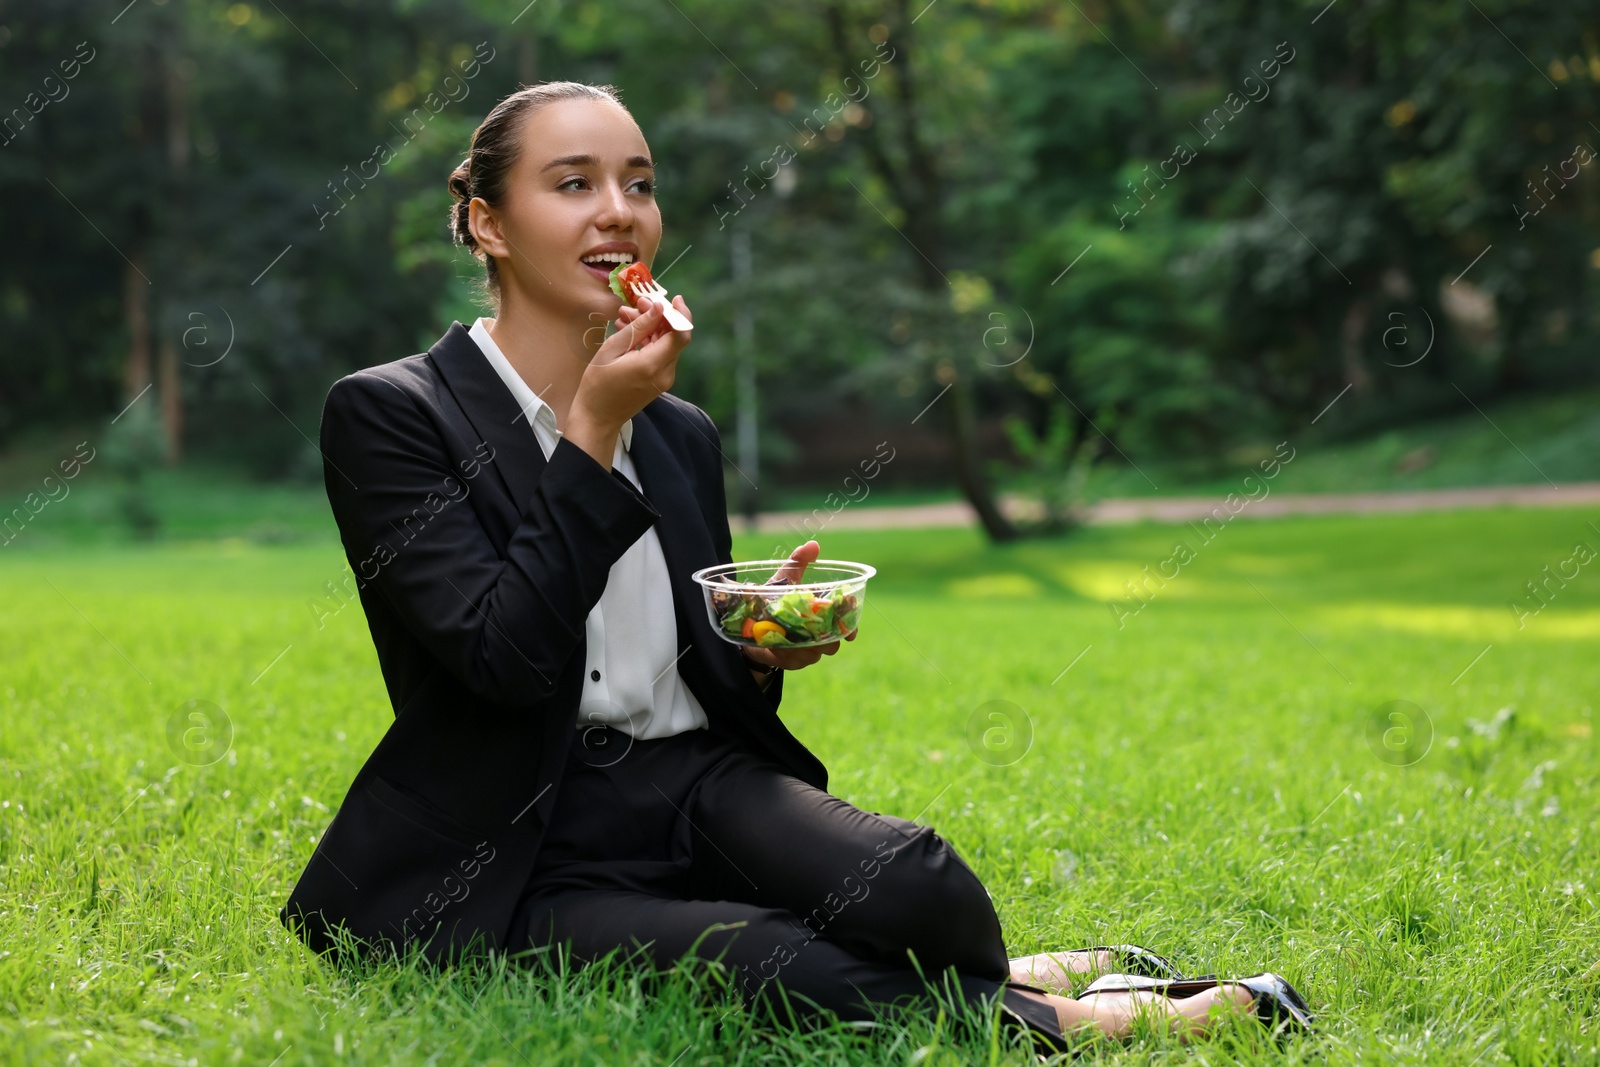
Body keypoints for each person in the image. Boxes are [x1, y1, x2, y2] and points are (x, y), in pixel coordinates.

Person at [279, 80, 1309, 1056]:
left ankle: (1020, 965)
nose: (620, 212)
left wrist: (766, 637)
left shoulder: (678, 431)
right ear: (491, 224)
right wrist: (591, 425)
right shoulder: (391, 413)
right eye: (573, 183)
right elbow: (501, 657)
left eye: (638, 183)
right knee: (775, 966)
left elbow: (707, 676)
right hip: (522, 835)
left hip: (690, 778)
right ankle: (1105, 1021)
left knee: (921, 882)